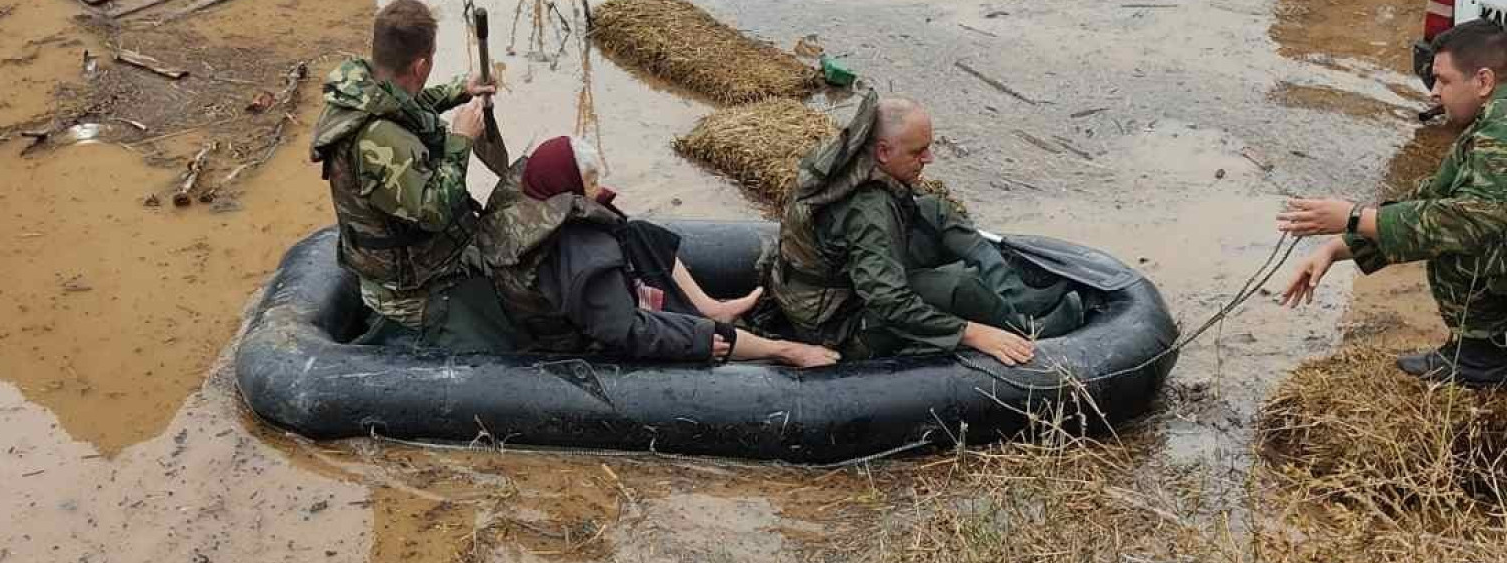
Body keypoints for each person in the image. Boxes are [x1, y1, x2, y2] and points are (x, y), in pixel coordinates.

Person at [765, 91, 1083, 364]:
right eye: (918, 151)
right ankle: (1027, 331)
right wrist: (970, 333)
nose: (928, 159)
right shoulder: (869, 208)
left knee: (934, 210)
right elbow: (888, 301)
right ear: (883, 152)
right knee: (957, 283)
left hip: (842, 285)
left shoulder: (850, 162)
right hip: (841, 327)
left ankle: (1018, 298)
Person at [475, 136, 840, 368]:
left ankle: (713, 307)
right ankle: (781, 351)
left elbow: (601, 220)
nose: (598, 188)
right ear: (569, 184)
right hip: (575, 337)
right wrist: (696, 340)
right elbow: (626, 330)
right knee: (700, 335)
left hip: (571, 304)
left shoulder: (532, 197)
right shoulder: (583, 256)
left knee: (638, 234)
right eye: (590, 181)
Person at [1280, 19, 1507, 387]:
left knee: (1454, 237)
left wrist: (1353, 217)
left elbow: (1470, 221)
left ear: (1483, 81)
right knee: (1435, 215)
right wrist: (1337, 247)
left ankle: (1484, 356)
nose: (1433, 93)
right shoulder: (1490, 123)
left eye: (1443, 80)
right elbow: (1434, 194)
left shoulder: (1502, 127)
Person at [309, 0, 511, 350]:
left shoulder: (366, 90)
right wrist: (461, 141)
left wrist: (460, 89)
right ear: (420, 65)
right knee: (507, 337)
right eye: (431, 58)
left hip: (403, 268)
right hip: (411, 295)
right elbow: (432, 212)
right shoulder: (378, 141)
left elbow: (405, 108)